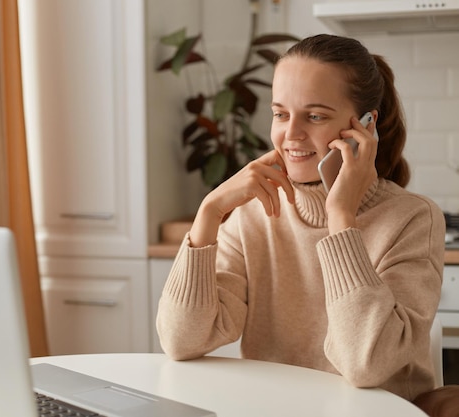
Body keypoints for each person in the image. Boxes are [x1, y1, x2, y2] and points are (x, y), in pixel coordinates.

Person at [156, 33, 446, 401]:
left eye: (315, 116)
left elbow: (366, 365)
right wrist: (210, 212)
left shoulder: (413, 219)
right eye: (280, 114)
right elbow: (181, 342)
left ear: (366, 125)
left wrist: (341, 216)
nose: (290, 134)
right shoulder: (253, 215)